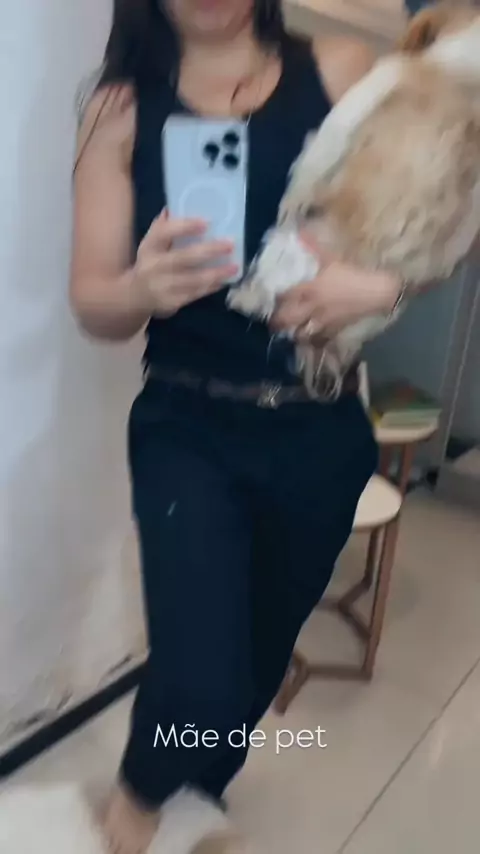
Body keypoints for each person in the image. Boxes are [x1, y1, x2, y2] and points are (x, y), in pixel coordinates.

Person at [71, 0, 403, 851]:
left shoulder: (341, 71)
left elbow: (444, 219)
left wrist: (385, 289)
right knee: (201, 677)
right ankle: (137, 802)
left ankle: (196, 794)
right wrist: (138, 290)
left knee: (254, 668)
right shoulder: (120, 106)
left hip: (321, 430)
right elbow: (92, 298)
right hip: (188, 425)